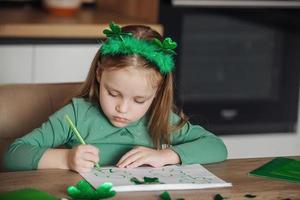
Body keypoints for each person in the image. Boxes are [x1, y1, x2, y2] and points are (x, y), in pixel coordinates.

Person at [4, 22, 227, 173]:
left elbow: (217, 147)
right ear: (100, 74)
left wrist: (168, 155)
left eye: (139, 100)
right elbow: (13, 156)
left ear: (156, 91)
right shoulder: (76, 114)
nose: (123, 108)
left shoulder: (158, 118)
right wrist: (66, 159)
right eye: (113, 94)